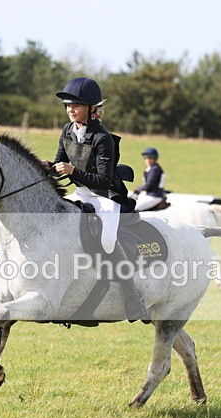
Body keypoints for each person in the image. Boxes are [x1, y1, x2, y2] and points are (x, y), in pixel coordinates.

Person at [47, 76, 146, 320]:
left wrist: (72, 171)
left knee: (108, 242)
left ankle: (133, 296)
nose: (71, 110)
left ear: (92, 109)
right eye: (68, 105)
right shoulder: (67, 130)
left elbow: (103, 180)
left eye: (76, 106)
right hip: (80, 192)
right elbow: (59, 162)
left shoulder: (103, 139)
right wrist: (45, 166)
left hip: (105, 196)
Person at [131, 147, 166, 212]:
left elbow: (149, 184)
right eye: (146, 158)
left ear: (155, 159)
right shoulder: (151, 168)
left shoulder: (154, 169)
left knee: (134, 208)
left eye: (150, 158)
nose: (148, 160)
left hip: (154, 196)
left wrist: (139, 188)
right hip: (150, 194)